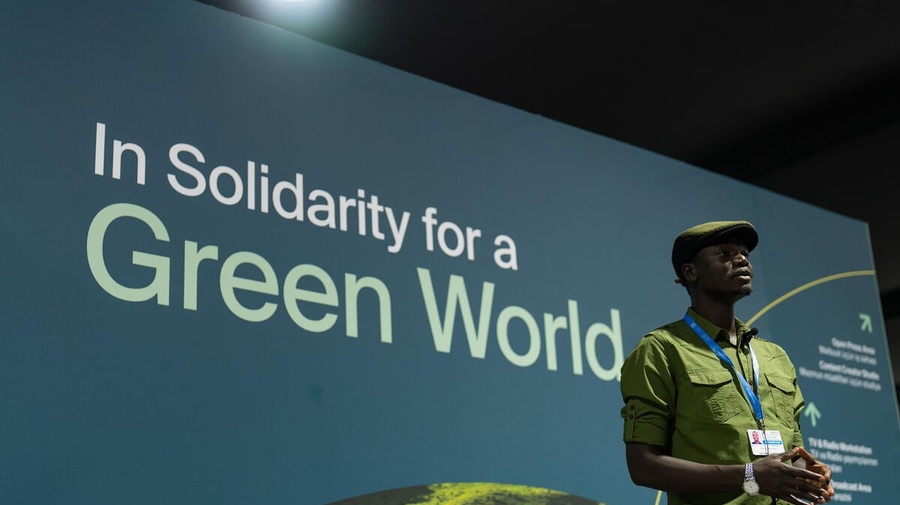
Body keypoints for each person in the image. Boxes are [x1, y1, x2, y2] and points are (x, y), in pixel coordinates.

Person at [619, 220, 835, 505]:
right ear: (690, 271)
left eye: (744, 253)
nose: (742, 259)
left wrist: (808, 473)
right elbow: (643, 466)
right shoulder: (662, 349)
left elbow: (792, 452)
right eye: (725, 253)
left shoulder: (775, 357)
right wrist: (749, 475)